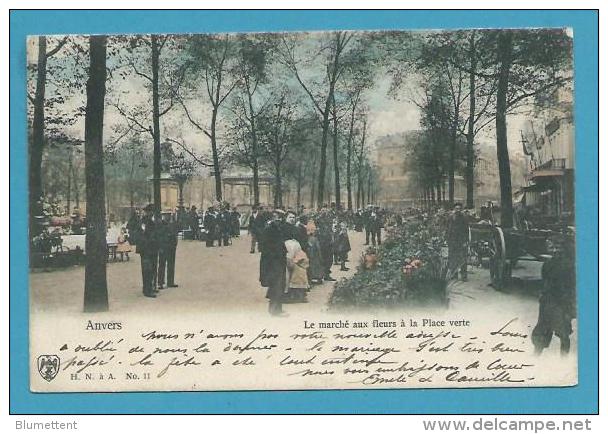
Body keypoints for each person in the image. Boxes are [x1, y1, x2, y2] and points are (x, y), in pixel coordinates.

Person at [531, 236, 576, 355]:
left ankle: (563, 361)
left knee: (564, 334)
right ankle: (534, 358)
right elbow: (544, 283)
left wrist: (571, 309)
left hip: (562, 304)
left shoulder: (570, 267)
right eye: (553, 248)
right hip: (547, 302)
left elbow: (573, 289)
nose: (555, 251)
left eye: (559, 248)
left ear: (564, 250)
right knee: (541, 332)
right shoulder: (547, 264)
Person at [259, 209, 288, 316]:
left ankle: (277, 309)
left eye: (280, 217)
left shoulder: (276, 228)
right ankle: (275, 310)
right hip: (273, 262)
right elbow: (264, 247)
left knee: (279, 285)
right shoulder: (270, 229)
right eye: (277, 217)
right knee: (276, 285)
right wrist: (276, 254)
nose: (279, 219)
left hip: (278, 261)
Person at [137, 204, 160, 298]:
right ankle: (147, 289)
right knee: (147, 269)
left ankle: (150, 287)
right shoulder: (144, 221)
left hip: (152, 248)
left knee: (153, 268)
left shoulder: (151, 221)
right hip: (146, 249)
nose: (151, 213)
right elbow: (143, 234)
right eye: (150, 211)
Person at [446, 203, 469, 281]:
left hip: (461, 241)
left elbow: (466, 230)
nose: (458, 210)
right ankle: (454, 274)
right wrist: (447, 239)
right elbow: (447, 229)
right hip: (452, 241)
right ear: (454, 209)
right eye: (456, 208)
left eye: (459, 209)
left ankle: (464, 275)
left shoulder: (464, 218)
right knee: (453, 258)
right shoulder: (450, 217)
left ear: (461, 210)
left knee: (463, 258)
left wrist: (465, 241)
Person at [158, 211, 179, 290]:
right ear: (163, 215)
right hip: (164, 247)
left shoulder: (172, 224)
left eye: (169, 215)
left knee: (171, 265)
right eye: (167, 215)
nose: (168, 216)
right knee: (162, 265)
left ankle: (170, 281)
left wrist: (175, 243)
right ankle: (160, 282)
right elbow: (159, 237)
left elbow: (175, 234)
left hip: (171, 247)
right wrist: (160, 247)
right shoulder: (161, 225)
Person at [284, 239, 310, 303]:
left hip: (289, 261)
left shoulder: (286, 242)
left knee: (288, 278)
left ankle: (286, 294)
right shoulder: (296, 243)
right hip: (295, 263)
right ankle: (298, 295)